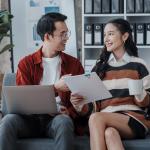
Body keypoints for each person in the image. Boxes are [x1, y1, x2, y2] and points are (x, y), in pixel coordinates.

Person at [0, 12, 85, 150]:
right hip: (29, 120)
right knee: (8, 121)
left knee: (64, 122)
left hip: (57, 120)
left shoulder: (74, 64)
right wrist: (55, 87)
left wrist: (69, 112)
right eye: (62, 34)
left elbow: (82, 101)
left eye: (67, 33)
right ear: (47, 36)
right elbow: (24, 99)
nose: (66, 38)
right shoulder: (26, 63)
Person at [70, 18, 150, 150]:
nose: (106, 38)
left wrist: (139, 91)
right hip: (105, 120)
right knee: (110, 134)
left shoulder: (139, 65)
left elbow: (146, 103)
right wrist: (79, 103)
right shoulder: (99, 68)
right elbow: (93, 108)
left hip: (134, 119)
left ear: (124, 36)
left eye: (111, 34)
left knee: (96, 118)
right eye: (105, 34)